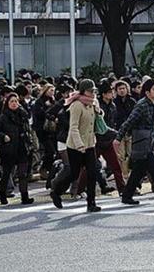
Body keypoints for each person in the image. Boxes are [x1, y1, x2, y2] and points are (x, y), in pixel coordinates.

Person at [51, 79, 102, 212]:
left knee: (92, 172)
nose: (93, 93)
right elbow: (73, 127)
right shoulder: (76, 105)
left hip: (90, 144)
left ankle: (91, 202)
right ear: (83, 91)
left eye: (94, 91)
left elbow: (96, 121)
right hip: (75, 146)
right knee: (74, 174)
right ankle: (56, 190)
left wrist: (99, 111)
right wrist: (79, 145)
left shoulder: (93, 103)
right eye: (90, 91)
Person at [0, 93, 35, 205]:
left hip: (22, 147)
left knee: (23, 174)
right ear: (7, 103)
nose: (14, 103)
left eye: (16, 101)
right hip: (9, 149)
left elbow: (28, 127)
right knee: (7, 173)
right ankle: (2, 194)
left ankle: (25, 196)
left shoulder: (22, 114)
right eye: (11, 101)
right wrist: (3, 136)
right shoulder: (4, 116)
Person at [32, 83, 57, 180]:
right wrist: (48, 110)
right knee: (50, 150)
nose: (52, 92)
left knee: (52, 151)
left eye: (53, 91)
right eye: (50, 90)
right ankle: (44, 168)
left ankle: (48, 169)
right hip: (42, 129)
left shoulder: (53, 101)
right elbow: (39, 114)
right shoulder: (39, 102)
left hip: (52, 130)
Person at [113, 80, 136, 180]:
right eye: (119, 89)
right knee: (121, 155)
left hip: (131, 132)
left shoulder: (132, 101)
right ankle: (124, 175)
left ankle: (130, 175)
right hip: (119, 132)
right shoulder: (114, 103)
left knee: (131, 154)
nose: (122, 91)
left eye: (123, 88)